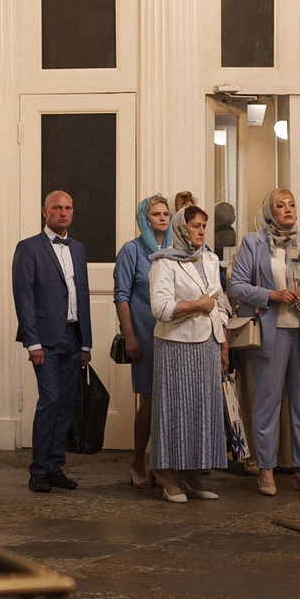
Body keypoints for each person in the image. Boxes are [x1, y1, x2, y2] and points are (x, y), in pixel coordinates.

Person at [227, 188, 300, 495]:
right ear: (269, 211)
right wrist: (271, 295)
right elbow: (236, 286)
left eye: (292, 204)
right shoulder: (254, 242)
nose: (288, 210)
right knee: (266, 405)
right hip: (269, 333)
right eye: (280, 205)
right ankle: (267, 470)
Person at [148, 201, 231, 503]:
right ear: (182, 228)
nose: (200, 231)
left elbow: (219, 303)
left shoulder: (210, 259)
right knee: (175, 410)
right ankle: (169, 478)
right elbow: (160, 308)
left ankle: (194, 475)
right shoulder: (164, 262)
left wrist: (223, 342)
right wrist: (196, 305)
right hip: (176, 346)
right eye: (195, 226)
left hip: (208, 344)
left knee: (202, 411)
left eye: (204, 226)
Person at [10, 189, 92, 493]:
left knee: (67, 404)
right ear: (45, 212)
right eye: (57, 207)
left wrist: (87, 343)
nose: (63, 212)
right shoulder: (29, 248)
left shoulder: (79, 249)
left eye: (68, 208)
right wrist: (33, 343)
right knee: (50, 399)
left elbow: (81, 295)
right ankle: (39, 469)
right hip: (44, 339)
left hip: (73, 336)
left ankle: (56, 465)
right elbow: (24, 298)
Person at [114, 196, 172, 489]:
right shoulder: (131, 251)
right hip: (146, 336)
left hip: (175, 337)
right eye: (155, 214)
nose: (162, 218)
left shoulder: (178, 249)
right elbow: (121, 295)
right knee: (149, 400)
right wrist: (130, 335)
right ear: (144, 218)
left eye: (166, 213)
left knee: (171, 402)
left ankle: (164, 464)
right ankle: (138, 460)